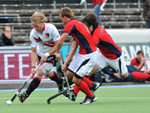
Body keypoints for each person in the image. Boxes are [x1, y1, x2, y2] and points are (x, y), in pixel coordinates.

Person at [67, 12, 150, 102]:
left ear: (90, 26)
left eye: (85, 26)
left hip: (115, 57)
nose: (84, 29)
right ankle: (76, 93)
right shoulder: (96, 29)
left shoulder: (97, 35)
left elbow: (90, 50)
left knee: (126, 77)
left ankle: (148, 75)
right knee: (88, 71)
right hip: (103, 55)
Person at [18, 12, 65, 103]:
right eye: (33, 26)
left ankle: (25, 95)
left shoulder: (51, 29)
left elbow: (58, 45)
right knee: (48, 74)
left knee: (40, 72)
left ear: (42, 22)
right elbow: (34, 50)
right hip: (41, 54)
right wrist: (33, 66)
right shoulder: (33, 33)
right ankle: (60, 81)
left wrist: (47, 55)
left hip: (52, 54)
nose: (35, 28)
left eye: (37, 26)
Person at [56, 7, 100, 104]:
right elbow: (73, 49)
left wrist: (57, 52)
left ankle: (91, 97)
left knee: (76, 79)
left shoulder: (70, 24)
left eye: (61, 19)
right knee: (68, 74)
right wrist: (65, 64)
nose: (62, 21)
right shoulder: (78, 25)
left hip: (89, 55)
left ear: (64, 17)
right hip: (82, 54)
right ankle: (91, 85)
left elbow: (60, 41)